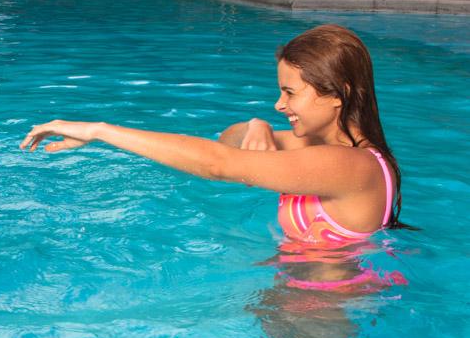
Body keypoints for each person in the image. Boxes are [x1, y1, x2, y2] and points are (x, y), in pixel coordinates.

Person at [20, 24, 407, 286]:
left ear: (337, 93)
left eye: (290, 93)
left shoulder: (350, 166)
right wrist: (259, 126)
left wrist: (100, 131)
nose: (279, 103)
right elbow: (227, 139)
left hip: (322, 319)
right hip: (299, 299)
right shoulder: (322, 150)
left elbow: (218, 164)